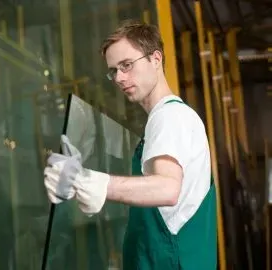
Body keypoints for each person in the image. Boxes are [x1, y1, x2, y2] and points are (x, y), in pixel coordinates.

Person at [43, 20, 218, 269]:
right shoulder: (168, 118)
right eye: (113, 71)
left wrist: (93, 181)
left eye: (127, 65)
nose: (119, 78)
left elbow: (167, 188)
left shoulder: (169, 117)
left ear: (156, 59)